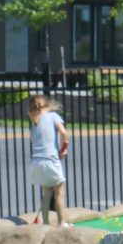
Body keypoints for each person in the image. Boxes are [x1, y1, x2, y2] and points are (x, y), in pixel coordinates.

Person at [26, 94, 69, 225]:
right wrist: (64, 147)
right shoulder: (53, 116)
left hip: (36, 162)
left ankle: (45, 224)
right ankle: (62, 223)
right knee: (59, 193)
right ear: (47, 105)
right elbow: (63, 132)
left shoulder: (35, 123)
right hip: (50, 160)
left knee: (47, 194)